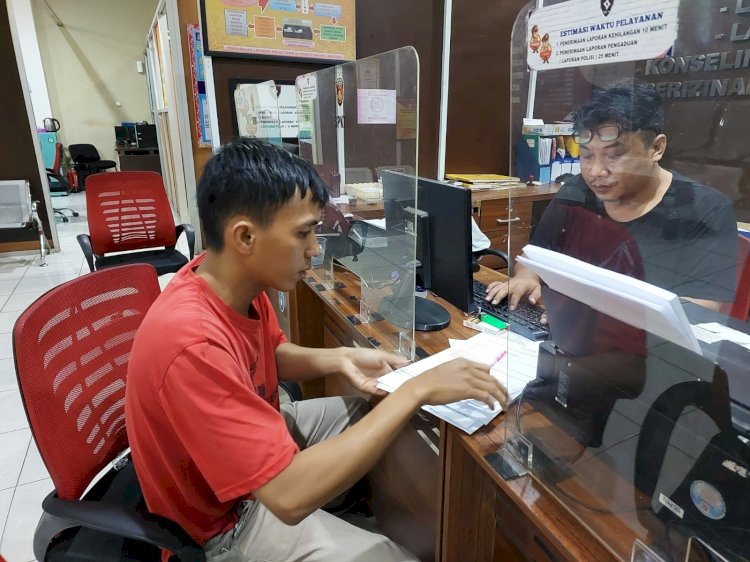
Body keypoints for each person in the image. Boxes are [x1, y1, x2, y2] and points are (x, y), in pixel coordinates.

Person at [125, 138, 507, 562]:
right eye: (304, 233)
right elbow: (287, 498)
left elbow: (268, 355)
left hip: (249, 457)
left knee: (376, 413)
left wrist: (341, 358)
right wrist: (413, 391)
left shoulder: (228, 281)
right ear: (245, 236)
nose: (314, 248)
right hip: (223, 524)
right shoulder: (191, 341)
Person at [485, 80, 737, 315]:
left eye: (614, 156)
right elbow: (535, 256)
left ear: (656, 148)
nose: (595, 172)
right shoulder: (575, 192)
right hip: (567, 336)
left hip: (650, 353)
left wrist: (596, 317)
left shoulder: (704, 208)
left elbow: (701, 307)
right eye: (586, 155)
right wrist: (526, 278)